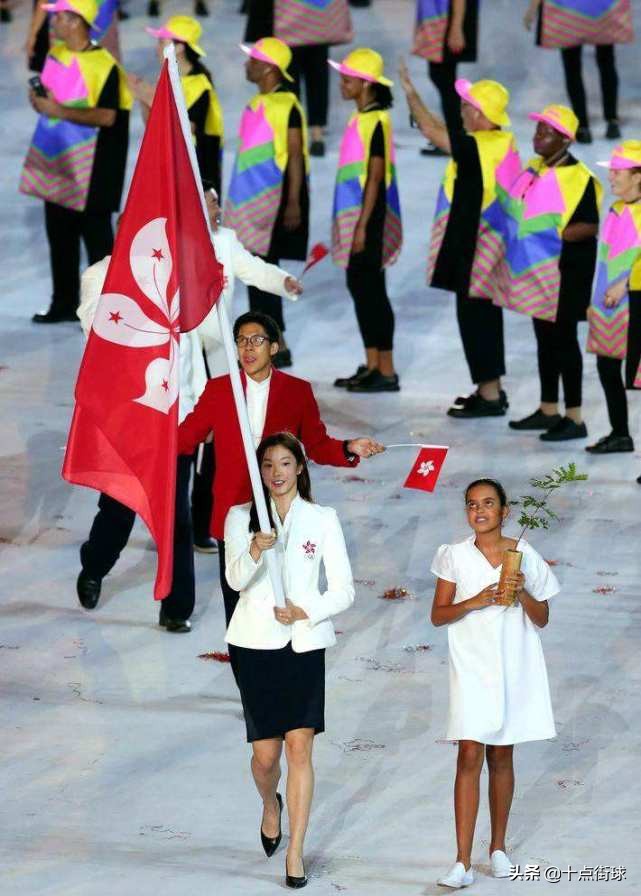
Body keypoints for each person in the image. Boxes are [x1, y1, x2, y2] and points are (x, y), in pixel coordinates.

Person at [74, 188, 304, 622]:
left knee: (175, 512)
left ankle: (176, 607)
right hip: (132, 418)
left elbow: (206, 326)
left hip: (177, 416)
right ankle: (94, 565)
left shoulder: (177, 276)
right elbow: (95, 330)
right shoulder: (99, 277)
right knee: (120, 508)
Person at [177, 311, 384, 676]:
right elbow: (186, 436)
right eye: (241, 340)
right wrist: (143, 438)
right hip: (235, 512)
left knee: (286, 592)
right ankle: (249, 689)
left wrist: (349, 446)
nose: (248, 347)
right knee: (238, 601)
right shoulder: (219, 389)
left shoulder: (296, 391)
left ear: (274, 347)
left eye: (257, 340)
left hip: (283, 509)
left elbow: (316, 444)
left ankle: (285, 672)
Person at [225, 431, 354, 889]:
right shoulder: (241, 517)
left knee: (300, 747)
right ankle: (269, 803)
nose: (276, 474)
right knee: (266, 757)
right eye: (268, 466)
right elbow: (235, 579)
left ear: (300, 467)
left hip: (303, 644)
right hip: (254, 645)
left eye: (285, 464)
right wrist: (256, 549)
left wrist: (307, 609)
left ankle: (295, 850)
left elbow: (344, 589)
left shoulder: (322, 519)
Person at [430, 478, 558, 889]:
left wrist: (521, 594)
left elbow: (542, 618)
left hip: (511, 665)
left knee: (502, 755)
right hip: (471, 666)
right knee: (469, 754)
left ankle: (497, 847)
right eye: (472, 504)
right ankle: (461, 860)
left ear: (505, 512)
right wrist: (475, 600)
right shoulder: (453, 555)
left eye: (488, 504)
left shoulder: (522, 555)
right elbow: (439, 614)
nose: (479, 511)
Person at [399, 64, 521, 417]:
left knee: (475, 318)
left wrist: (411, 94)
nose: (462, 110)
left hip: (476, 243)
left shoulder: (478, 147)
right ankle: (491, 387)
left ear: (481, 114)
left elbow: (433, 130)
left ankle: (489, 393)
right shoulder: (500, 142)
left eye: (467, 105)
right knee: (483, 315)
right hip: (490, 243)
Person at [191, 182, 303, 552]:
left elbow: (253, 268)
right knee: (192, 442)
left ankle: (203, 523)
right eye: (209, 203)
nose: (217, 208)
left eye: (217, 201)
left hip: (221, 350)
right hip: (187, 352)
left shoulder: (225, 239)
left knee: (222, 441)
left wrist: (282, 281)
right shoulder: (176, 242)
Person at [20, 0, 131, 325]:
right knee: (59, 235)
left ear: (78, 22)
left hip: (93, 169)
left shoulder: (105, 65)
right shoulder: (55, 56)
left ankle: (109, 309)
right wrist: (41, 103)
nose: (54, 21)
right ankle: (63, 302)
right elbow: (53, 102)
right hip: (57, 163)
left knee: (96, 240)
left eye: (61, 16)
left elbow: (108, 116)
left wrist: (58, 111)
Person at [501, 104, 601, 442]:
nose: (537, 138)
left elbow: (589, 225)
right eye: (537, 131)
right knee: (545, 339)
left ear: (565, 139)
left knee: (564, 341)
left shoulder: (579, 177)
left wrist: (557, 235)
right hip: (536, 272)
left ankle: (574, 417)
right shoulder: (534, 168)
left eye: (545, 133)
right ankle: (548, 409)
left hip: (566, 273)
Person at [224, 37, 310, 368]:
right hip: (249, 205)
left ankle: (278, 343)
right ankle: (274, 341)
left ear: (269, 68)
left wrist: (292, 204)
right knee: (256, 274)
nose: (247, 65)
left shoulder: (287, 104)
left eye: (253, 60)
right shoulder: (257, 103)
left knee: (263, 274)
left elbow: (295, 157)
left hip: (272, 204)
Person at [329, 49, 402, 393]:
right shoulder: (360, 118)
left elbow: (375, 177)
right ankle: (372, 362)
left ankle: (386, 370)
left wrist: (361, 226)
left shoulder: (376, 121)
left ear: (365, 84)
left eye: (347, 79)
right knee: (359, 287)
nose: (341, 85)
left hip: (368, 218)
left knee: (372, 291)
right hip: (356, 216)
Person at [586, 141, 641, 468]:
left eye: (618, 172)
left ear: (638, 176)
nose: (611, 178)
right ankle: (620, 433)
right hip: (609, 304)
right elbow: (606, 258)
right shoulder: (616, 209)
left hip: (634, 301)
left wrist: (626, 281)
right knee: (607, 366)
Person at [128, 16, 224, 195]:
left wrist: (149, 96)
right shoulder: (170, 79)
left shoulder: (199, 85)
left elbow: (184, 132)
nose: (156, 49)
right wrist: (142, 98)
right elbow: (153, 126)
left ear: (179, 47)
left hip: (197, 177)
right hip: (175, 169)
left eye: (161, 42)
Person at [243, 0, 352, 157]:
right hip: (315, 16)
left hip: (287, 17)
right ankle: (315, 132)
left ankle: (294, 132)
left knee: (289, 72)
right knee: (316, 72)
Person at [524, 0, 634, 143]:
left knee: (572, 67)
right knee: (606, 62)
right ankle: (612, 122)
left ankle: (582, 126)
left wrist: (532, 10)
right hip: (603, 8)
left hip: (566, 11)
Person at [411, 0, 479, 156]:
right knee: (442, 76)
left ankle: (455, 138)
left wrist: (456, 28)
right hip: (445, 18)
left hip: (449, 20)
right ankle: (455, 137)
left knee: (443, 77)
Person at [25, 0, 121, 71]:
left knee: (104, 75)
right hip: (62, 27)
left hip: (100, 22)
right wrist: (33, 33)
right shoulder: (56, 24)